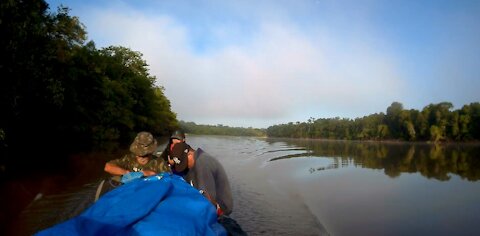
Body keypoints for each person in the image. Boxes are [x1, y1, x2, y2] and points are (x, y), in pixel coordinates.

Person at [169, 142, 233, 215]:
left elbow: (205, 199)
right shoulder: (193, 161)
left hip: (221, 209)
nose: (184, 166)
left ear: (190, 154)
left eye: (184, 163)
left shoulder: (202, 163)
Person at [100, 131, 170, 197]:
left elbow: (170, 181)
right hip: (130, 194)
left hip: (149, 195)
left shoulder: (159, 162)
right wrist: (128, 173)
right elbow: (108, 167)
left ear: (151, 152)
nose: (141, 158)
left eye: (145, 155)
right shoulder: (128, 159)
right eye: (138, 154)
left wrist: (154, 175)